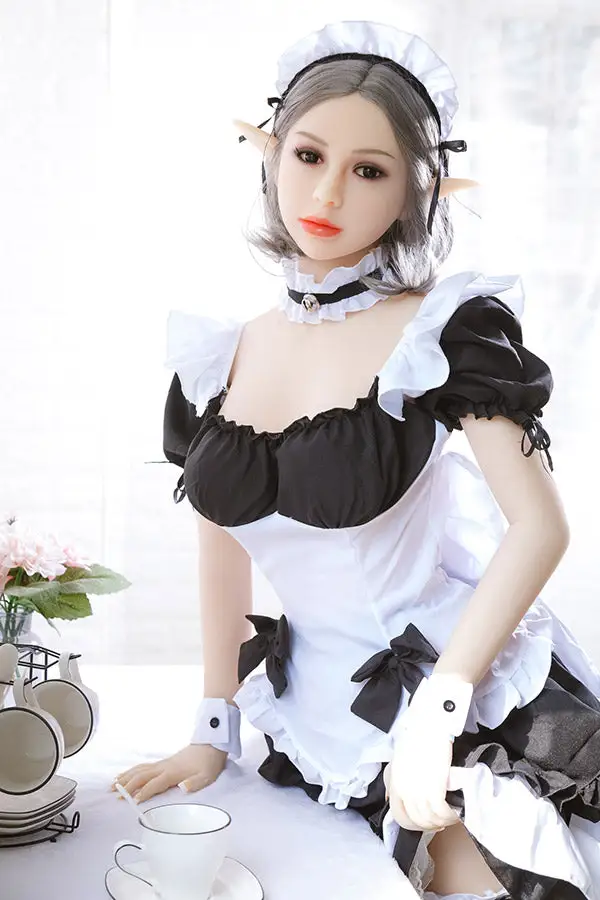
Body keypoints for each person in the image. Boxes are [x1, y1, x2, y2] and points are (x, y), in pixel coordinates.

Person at [113, 19, 600, 900]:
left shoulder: (441, 334)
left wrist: (443, 709)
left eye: (369, 170)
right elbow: (219, 542)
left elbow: (540, 528)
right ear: (271, 155)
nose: (328, 192)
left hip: (448, 687)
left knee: (503, 874)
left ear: (415, 192)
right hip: (311, 712)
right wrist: (214, 726)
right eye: (308, 155)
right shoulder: (219, 355)